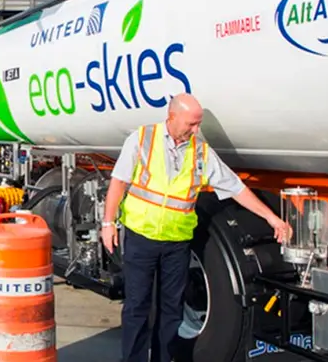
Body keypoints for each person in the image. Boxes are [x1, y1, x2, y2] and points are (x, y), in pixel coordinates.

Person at [100, 93, 290, 362]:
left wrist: (271, 217)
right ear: (172, 117)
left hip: (177, 244)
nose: (196, 130)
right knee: (137, 308)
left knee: (171, 311)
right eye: (191, 124)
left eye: (198, 124)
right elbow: (118, 182)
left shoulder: (200, 151)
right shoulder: (142, 139)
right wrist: (108, 223)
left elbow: (235, 187)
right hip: (141, 238)